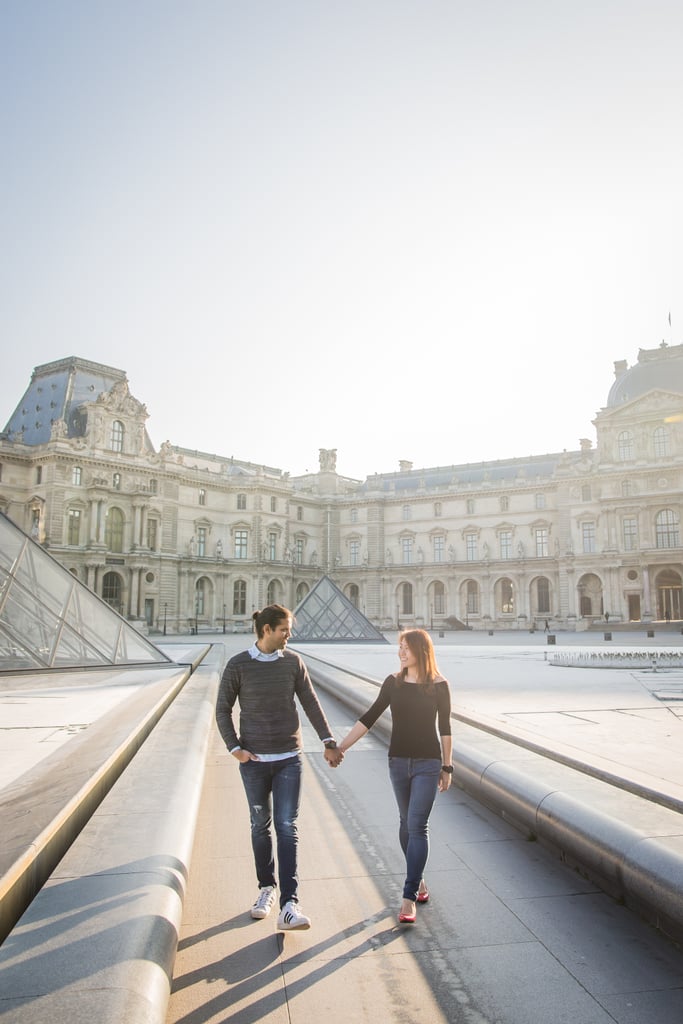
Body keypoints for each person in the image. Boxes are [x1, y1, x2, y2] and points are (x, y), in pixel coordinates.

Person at [215, 604, 342, 930]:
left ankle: (289, 903)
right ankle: (266, 888)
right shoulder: (238, 665)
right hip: (254, 762)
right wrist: (236, 749)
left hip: (289, 758)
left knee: (287, 827)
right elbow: (222, 709)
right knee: (260, 827)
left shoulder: (292, 663)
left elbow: (311, 701)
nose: (290, 635)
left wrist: (328, 740)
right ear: (267, 630)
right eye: (285, 629)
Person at [334, 629, 452, 925]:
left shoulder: (440, 685)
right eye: (399, 647)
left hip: (428, 762)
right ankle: (419, 880)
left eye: (406, 647)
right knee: (405, 824)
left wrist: (447, 767)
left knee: (417, 825)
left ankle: (408, 896)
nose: (400, 652)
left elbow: (446, 729)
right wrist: (341, 747)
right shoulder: (393, 683)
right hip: (398, 762)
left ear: (421, 651)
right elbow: (369, 717)